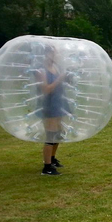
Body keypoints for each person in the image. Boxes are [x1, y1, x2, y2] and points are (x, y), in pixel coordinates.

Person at [38, 44, 68, 176]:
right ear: (47, 54)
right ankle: (47, 167)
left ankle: (53, 158)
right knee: (51, 134)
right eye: (54, 53)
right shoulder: (41, 70)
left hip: (59, 103)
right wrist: (59, 79)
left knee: (58, 133)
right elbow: (46, 90)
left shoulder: (56, 67)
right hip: (49, 104)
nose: (57, 55)